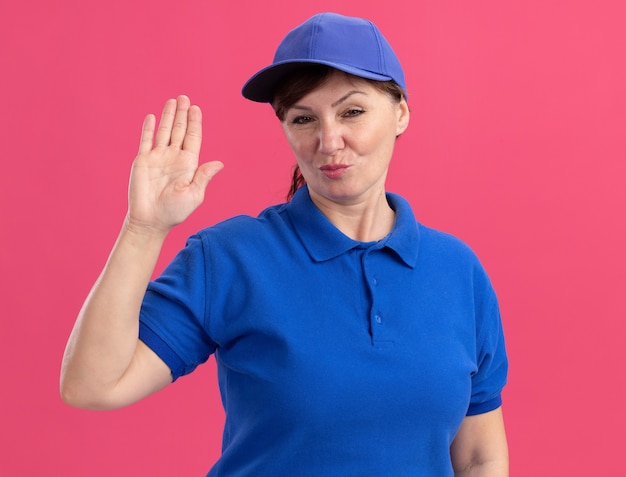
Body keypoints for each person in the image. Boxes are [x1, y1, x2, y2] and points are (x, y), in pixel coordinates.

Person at [61, 12, 509, 476]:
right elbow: (93, 385)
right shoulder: (231, 258)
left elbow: (479, 457)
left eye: (352, 111)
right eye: (303, 118)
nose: (328, 140)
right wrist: (144, 229)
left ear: (400, 113)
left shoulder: (458, 272)